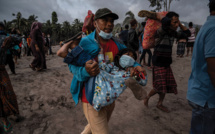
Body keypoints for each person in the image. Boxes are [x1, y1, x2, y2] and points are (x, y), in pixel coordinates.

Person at [61, 8, 146, 134]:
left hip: (109, 97)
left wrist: (136, 65)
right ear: (95, 23)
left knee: (93, 127)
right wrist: (86, 71)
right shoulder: (85, 42)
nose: (110, 24)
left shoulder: (117, 44)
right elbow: (72, 67)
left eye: (111, 21)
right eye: (105, 20)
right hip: (91, 99)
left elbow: (129, 57)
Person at [141, 11, 191, 112]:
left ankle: (160, 104)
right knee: (159, 86)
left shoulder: (174, 33)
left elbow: (187, 33)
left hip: (167, 63)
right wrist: (160, 17)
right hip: (158, 62)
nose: (177, 25)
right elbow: (166, 23)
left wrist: (179, 24)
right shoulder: (161, 31)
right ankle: (147, 98)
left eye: (178, 23)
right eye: (175, 22)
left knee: (165, 85)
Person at [187, 0, 215, 133]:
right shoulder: (214, 28)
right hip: (207, 99)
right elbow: (213, 68)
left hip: (201, 93)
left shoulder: (207, 25)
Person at [0, 23, 20, 132]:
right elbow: (18, 39)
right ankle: (8, 117)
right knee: (7, 93)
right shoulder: (4, 38)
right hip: (1, 71)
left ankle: (5, 119)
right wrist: (9, 34)